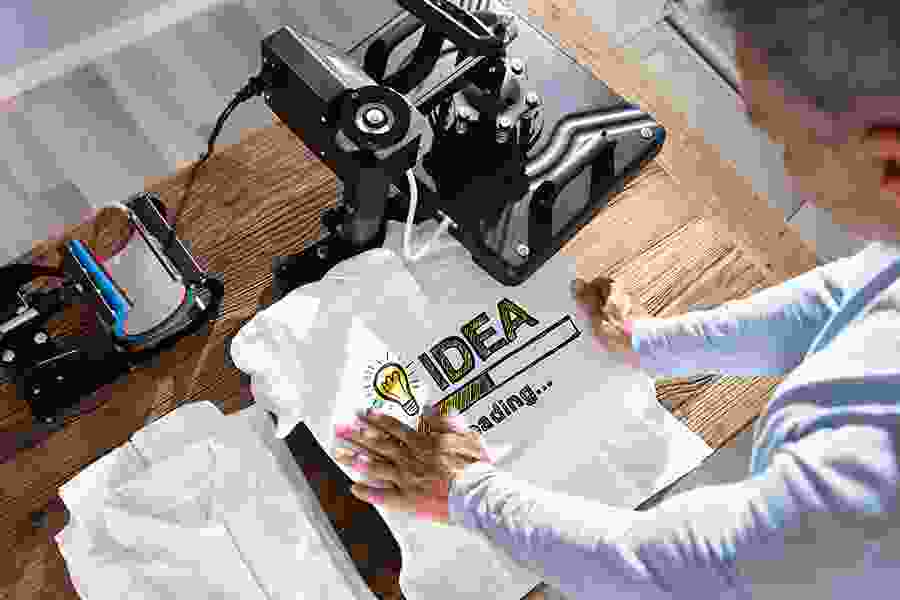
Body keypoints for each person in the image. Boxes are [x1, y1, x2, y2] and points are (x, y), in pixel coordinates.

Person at [331, 2, 900, 598]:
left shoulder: (870, 474)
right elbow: (849, 293)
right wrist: (651, 344)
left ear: (886, 160)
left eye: (784, 138)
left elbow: (687, 570)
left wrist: (466, 492)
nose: (784, 162)